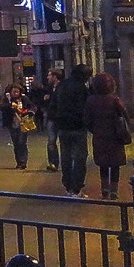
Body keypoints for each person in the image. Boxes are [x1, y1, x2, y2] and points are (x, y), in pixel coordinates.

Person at [84, 72, 130, 200]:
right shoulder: (115, 100)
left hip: (100, 136)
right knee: (115, 165)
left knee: (103, 165)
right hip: (115, 136)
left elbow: (87, 120)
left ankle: (104, 190)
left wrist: (95, 129)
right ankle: (114, 190)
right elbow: (125, 115)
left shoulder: (91, 100)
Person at [52, 63, 93, 197]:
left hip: (63, 126)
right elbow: (85, 108)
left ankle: (68, 184)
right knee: (80, 157)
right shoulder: (81, 88)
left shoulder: (61, 86)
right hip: (77, 126)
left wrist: (55, 120)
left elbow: (53, 104)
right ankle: (76, 187)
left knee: (66, 156)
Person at [33, 69, 62, 172]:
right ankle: (53, 163)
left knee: (63, 141)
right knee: (51, 141)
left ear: (55, 77)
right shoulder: (49, 88)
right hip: (51, 117)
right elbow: (44, 100)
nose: (47, 77)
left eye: (49, 75)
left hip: (60, 118)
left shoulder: (62, 88)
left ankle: (63, 163)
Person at [0, 84, 34, 169]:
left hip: (23, 122)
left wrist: (27, 112)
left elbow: (31, 106)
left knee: (21, 142)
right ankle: (19, 161)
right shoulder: (7, 100)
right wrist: (10, 103)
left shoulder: (23, 99)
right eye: (14, 92)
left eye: (17, 92)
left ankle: (23, 161)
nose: (16, 93)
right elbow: (3, 108)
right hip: (12, 123)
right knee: (16, 143)